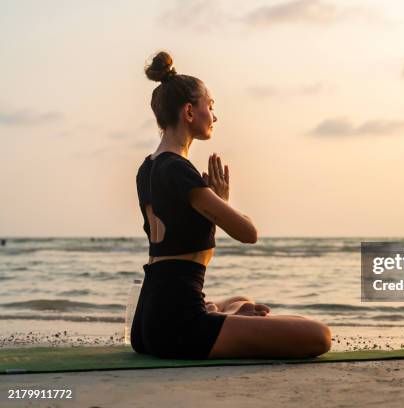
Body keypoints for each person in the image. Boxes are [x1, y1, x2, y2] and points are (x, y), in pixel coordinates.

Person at [131, 51, 331, 360]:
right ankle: (229, 315)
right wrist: (224, 202)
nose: (214, 115)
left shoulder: (148, 168)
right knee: (318, 335)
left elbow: (182, 231)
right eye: (209, 106)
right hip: (178, 325)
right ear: (188, 112)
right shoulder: (179, 170)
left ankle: (231, 311)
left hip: (147, 322)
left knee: (240, 299)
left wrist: (215, 204)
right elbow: (248, 232)